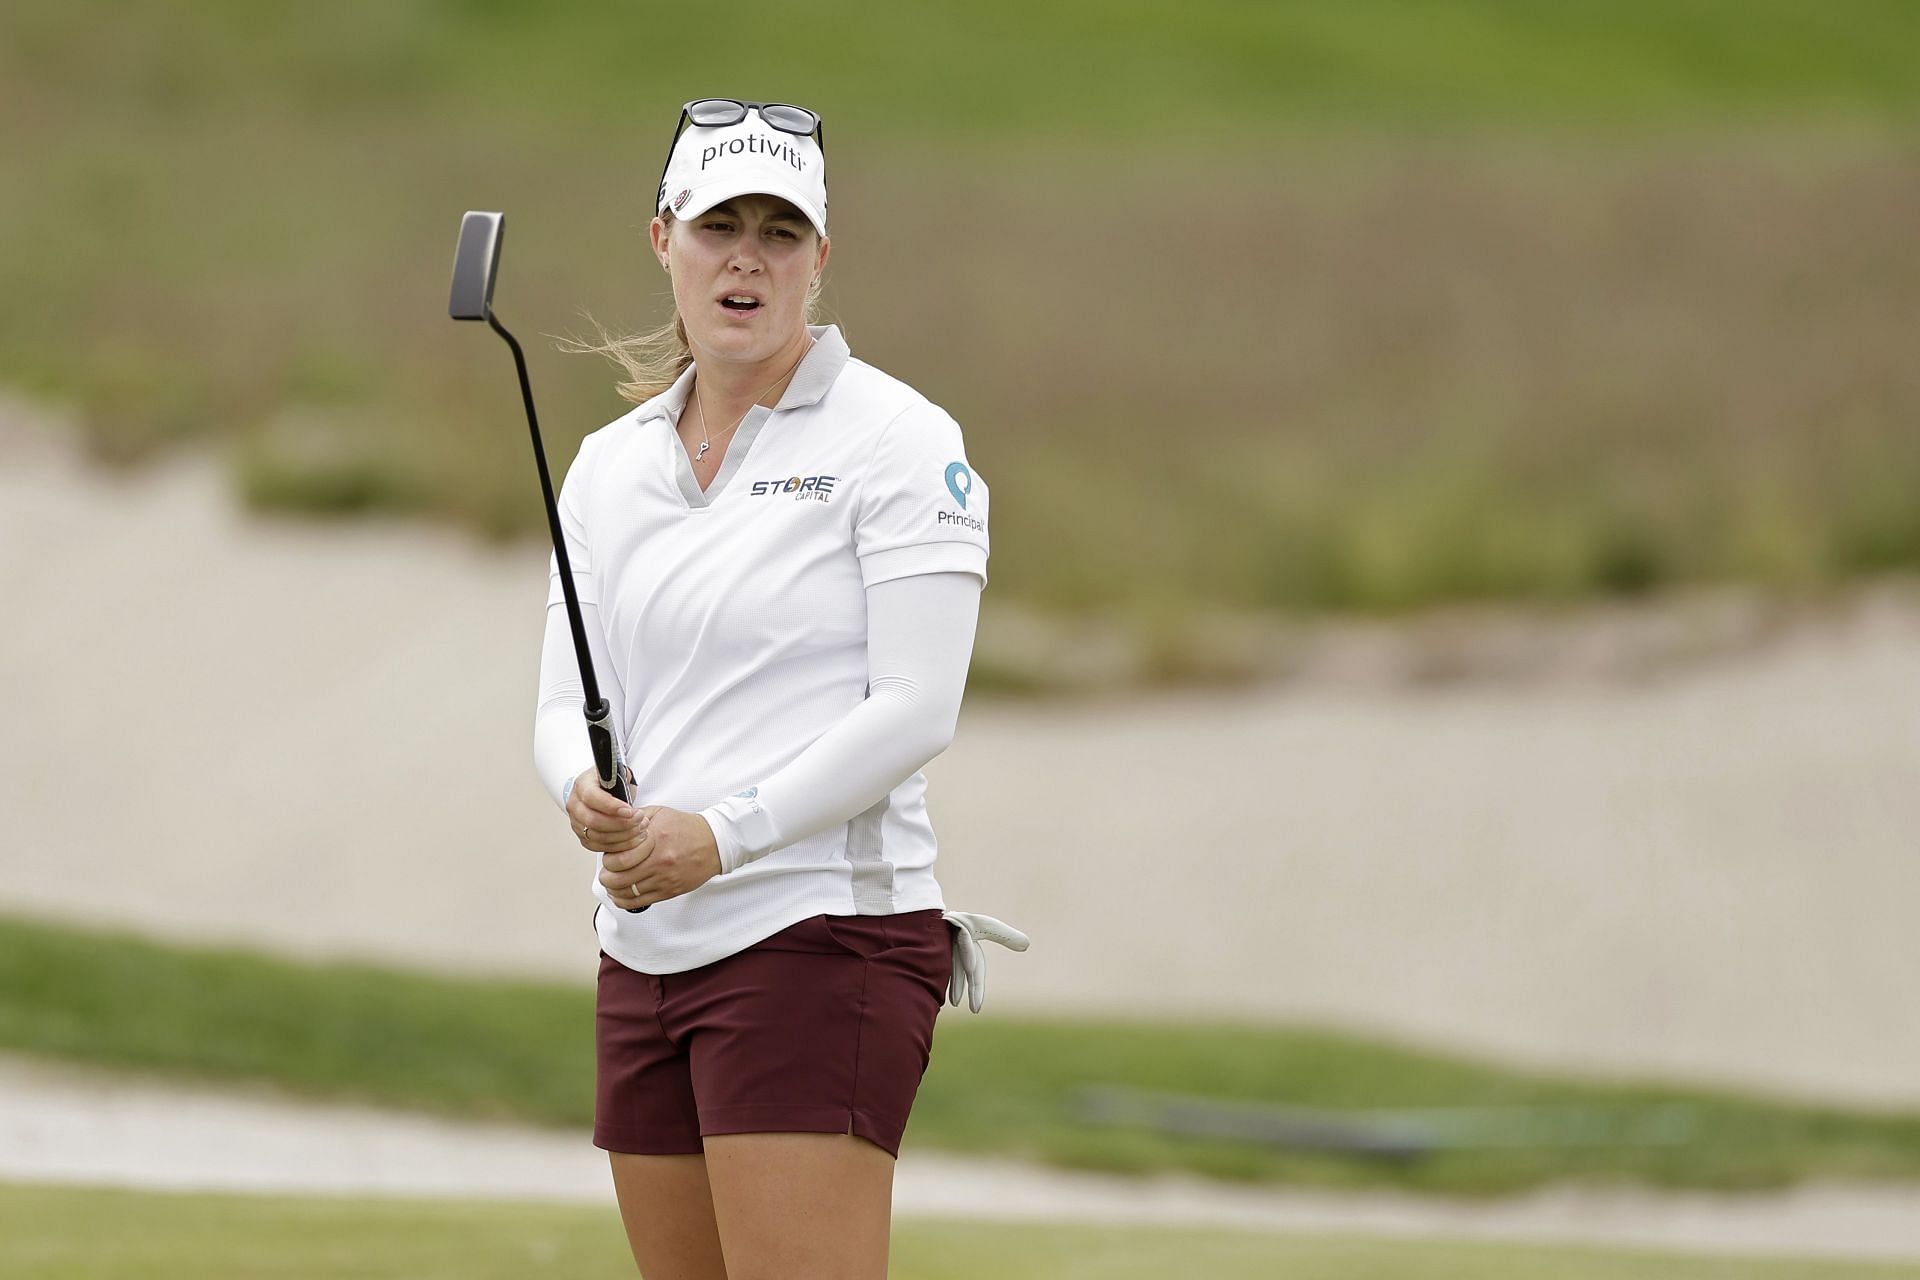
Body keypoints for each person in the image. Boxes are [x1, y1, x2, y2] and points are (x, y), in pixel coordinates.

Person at [532, 98, 1027, 1280]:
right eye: (719, 225)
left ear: (819, 256)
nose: (747, 256)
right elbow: (563, 700)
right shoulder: (611, 466)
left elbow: (916, 707)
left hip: (820, 937)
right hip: (646, 947)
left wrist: (722, 832)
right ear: (665, 241)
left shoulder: (898, 439)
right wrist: (584, 792)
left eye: (780, 230)